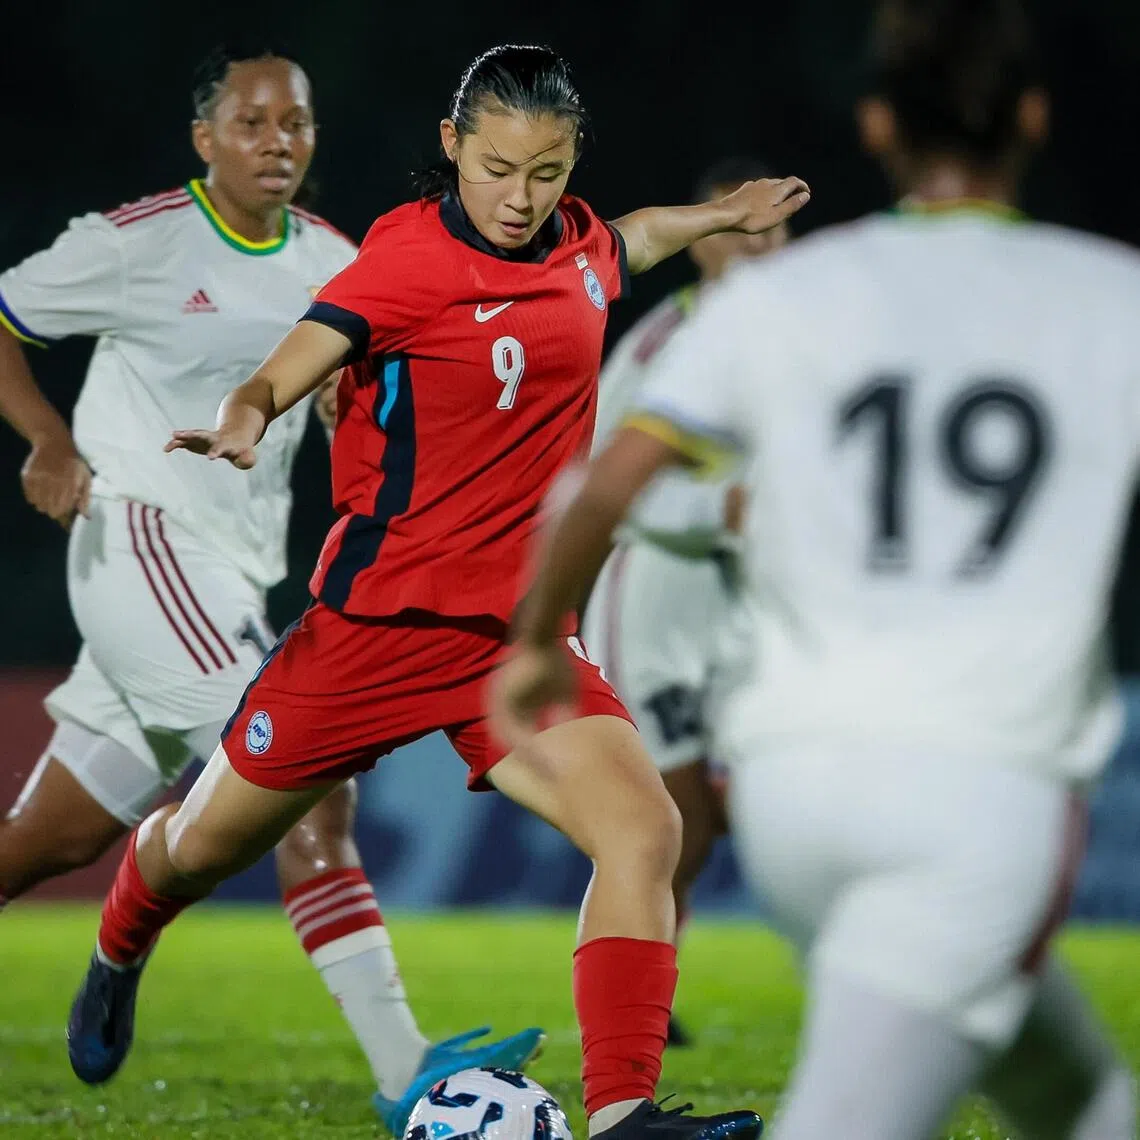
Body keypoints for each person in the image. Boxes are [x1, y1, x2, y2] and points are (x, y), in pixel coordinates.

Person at [65, 43, 809, 1140]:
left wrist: (714, 218)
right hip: (368, 637)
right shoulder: (406, 260)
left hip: (511, 648)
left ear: (571, 164)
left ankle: (622, 1117)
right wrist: (250, 409)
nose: (518, 199)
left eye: (545, 173)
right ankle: (124, 932)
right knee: (204, 845)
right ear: (454, 147)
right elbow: (305, 352)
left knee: (641, 830)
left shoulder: (580, 246)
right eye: (496, 167)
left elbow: (625, 244)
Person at [494, 4, 1140, 1139]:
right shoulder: (1107, 292)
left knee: (1079, 1094)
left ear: (878, 126)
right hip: (982, 786)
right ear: (1034, 119)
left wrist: (537, 640)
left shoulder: (779, 299)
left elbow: (597, 488)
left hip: (799, 786)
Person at [0, 43, 539, 1129]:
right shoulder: (138, 242)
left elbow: (352, 365)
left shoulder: (334, 257)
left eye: (293, 123)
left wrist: (350, 395)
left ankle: (119, 947)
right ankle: (406, 1074)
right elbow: (4, 315)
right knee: (310, 789)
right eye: (249, 123)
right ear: (205, 139)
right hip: (140, 538)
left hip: (231, 572)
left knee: (50, 839)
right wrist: (48, 440)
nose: (275, 141)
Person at [582, 156, 790, 1048]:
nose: (759, 245)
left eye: (774, 228)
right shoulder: (665, 344)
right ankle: (636, 1009)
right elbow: (597, 476)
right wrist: (719, 507)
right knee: (673, 825)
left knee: (774, 805)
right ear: (704, 241)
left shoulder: (806, 339)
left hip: (745, 607)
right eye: (739, 227)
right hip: (654, 599)